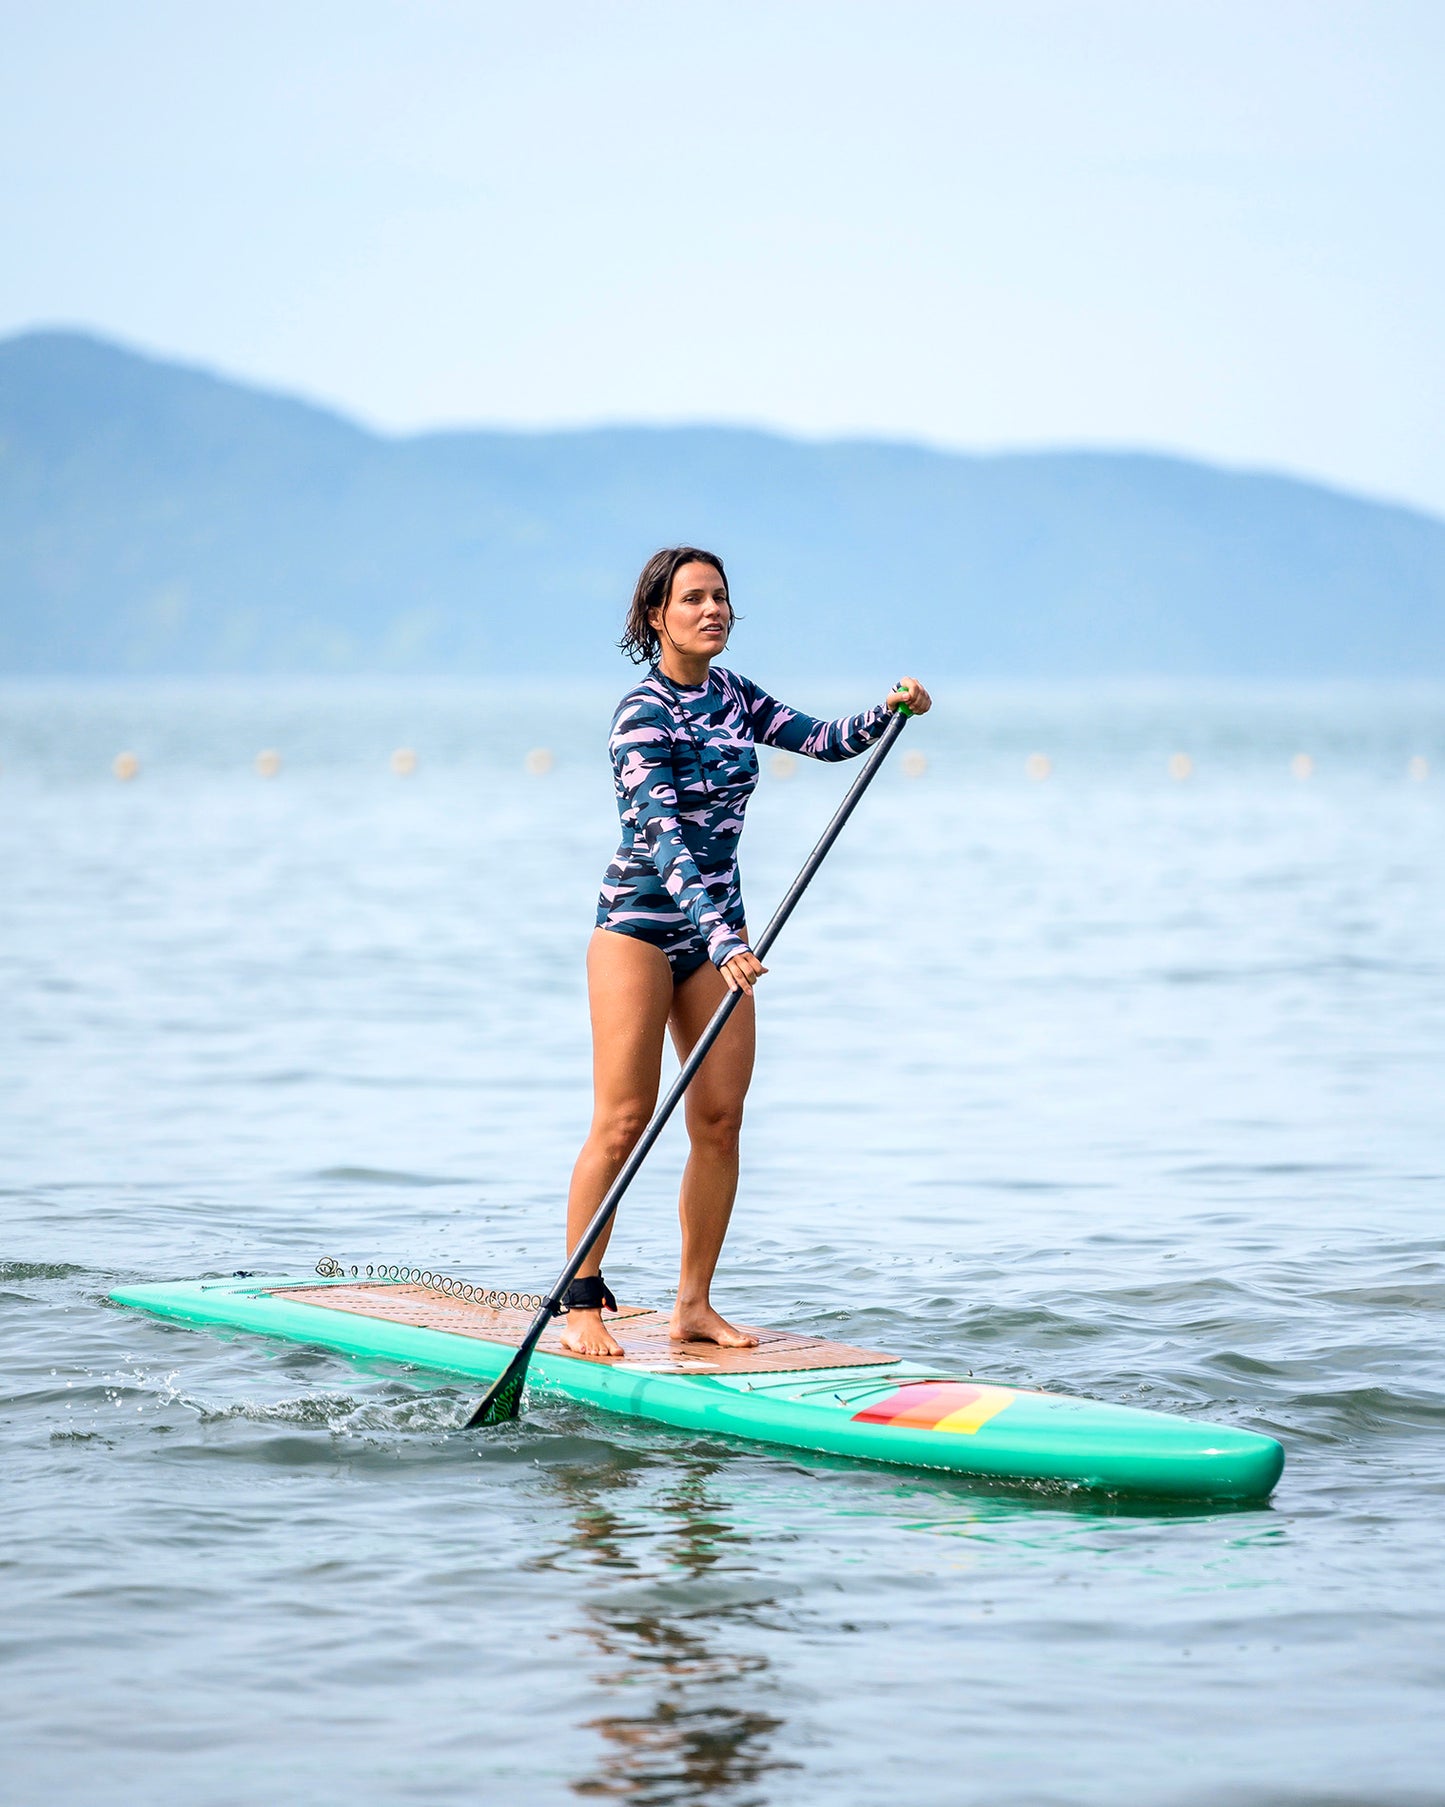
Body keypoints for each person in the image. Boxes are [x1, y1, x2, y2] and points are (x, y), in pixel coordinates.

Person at [560, 546, 931, 1357]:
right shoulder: (640, 715)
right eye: (693, 598)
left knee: (720, 1120)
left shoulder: (732, 695)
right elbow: (659, 836)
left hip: (718, 937)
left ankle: (691, 1304)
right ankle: (580, 1303)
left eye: (721, 597)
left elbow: (825, 740)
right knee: (623, 1121)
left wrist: (889, 710)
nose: (713, 610)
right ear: (656, 616)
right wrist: (721, 931)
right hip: (638, 927)